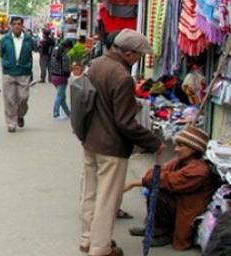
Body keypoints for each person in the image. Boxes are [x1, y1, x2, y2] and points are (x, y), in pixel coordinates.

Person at [79, 29, 164, 256]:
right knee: (107, 201)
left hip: (91, 141)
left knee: (90, 194)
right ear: (128, 53)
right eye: (138, 55)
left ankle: (88, 240)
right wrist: (154, 142)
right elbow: (125, 123)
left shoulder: (96, 65)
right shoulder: (122, 77)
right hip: (111, 147)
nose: (139, 59)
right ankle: (100, 248)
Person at [123, 126, 219, 250]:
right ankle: (152, 228)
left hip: (185, 209)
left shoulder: (199, 170)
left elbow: (163, 179)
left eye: (181, 146)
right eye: (177, 145)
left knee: (158, 193)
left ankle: (165, 233)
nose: (176, 149)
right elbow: (154, 173)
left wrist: (139, 182)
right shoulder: (180, 161)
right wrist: (155, 177)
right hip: (178, 201)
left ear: (194, 149)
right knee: (154, 189)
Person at [0, 16, 36, 133]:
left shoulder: (28, 39)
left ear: (22, 26)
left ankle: (20, 115)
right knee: (9, 99)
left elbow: (34, 50)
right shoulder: (5, 39)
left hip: (23, 73)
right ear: (11, 25)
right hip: (9, 72)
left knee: (23, 98)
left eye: (19, 24)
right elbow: (2, 53)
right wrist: (6, 64)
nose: (16, 26)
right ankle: (11, 123)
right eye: (14, 24)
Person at [49, 39, 73, 119]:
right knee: (60, 96)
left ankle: (68, 113)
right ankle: (56, 113)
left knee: (62, 96)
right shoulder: (65, 56)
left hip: (53, 76)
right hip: (62, 77)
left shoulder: (54, 52)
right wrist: (71, 69)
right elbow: (66, 69)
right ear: (67, 47)